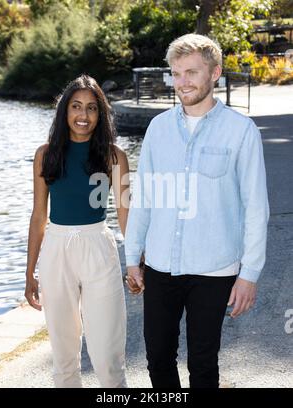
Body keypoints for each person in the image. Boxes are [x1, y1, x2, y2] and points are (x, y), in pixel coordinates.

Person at [125, 34, 269, 388]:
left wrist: (249, 274)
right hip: (160, 265)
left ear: (215, 73)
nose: (182, 82)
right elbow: (144, 197)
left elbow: (255, 207)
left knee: (203, 364)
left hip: (214, 268)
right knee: (158, 357)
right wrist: (131, 256)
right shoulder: (158, 128)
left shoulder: (241, 131)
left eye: (192, 72)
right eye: (176, 74)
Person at [24, 74, 129, 388]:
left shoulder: (114, 157)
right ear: (64, 111)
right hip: (56, 251)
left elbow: (125, 214)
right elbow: (39, 215)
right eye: (76, 107)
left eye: (92, 108)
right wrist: (30, 273)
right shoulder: (46, 155)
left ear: (100, 114)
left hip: (98, 245)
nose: (83, 115)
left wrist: (138, 262)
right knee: (64, 355)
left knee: (107, 355)